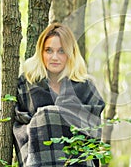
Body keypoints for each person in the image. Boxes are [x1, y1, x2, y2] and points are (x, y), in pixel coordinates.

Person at [13, 23, 105, 167]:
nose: (54, 57)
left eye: (61, 51)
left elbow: (93, 132)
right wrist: (45, 119)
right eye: (49, 50)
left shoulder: (86, 86)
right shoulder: (27, 83)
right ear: (41, 52)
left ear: (70, 53)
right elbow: (20, 125)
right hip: (38, 158)